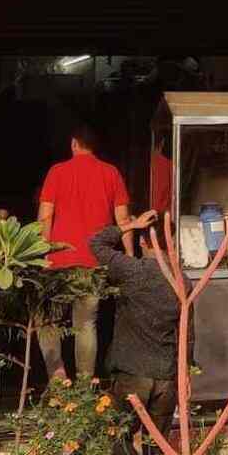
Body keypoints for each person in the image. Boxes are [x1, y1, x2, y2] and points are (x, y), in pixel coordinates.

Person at [89, 210, 181, 455]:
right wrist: (184, 372)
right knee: (157, 446)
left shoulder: (132, 270)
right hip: (166, 378)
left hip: (133, 373)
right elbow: (187, 333)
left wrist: (130, 224)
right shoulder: (182, 281)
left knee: (117, 436)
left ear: (142, 241)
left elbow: (96, 243)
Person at [36, 124, 132, 381]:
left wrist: (42, 253)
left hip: (58, 261)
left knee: (48, 321)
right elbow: (123, 220)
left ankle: (57, 379)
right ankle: (85, 385)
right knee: (86, 324)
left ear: (74, 143)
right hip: (95, 261)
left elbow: (45, 216)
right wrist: (129, 258)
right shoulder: (111, 173)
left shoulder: (57, 172)